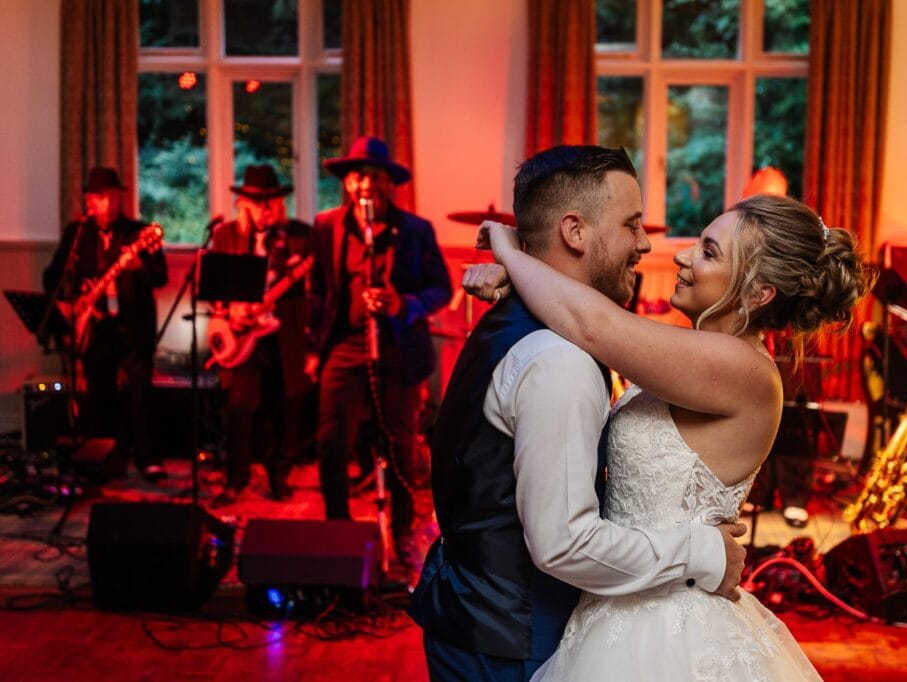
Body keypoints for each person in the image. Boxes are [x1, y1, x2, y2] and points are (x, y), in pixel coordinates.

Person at [469, 192, 873, 680]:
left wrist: (511, 254)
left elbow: (591, 324)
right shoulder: (695, 349)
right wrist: (516, 280)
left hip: (668, 629)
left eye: (707, 252)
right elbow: (585, 316)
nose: (681, 257)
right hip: (616, 600)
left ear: (757, 293)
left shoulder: (741, 368)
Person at [407, 145, 749, 681]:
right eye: (631, 224)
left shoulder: (514, 320)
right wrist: (700, 551)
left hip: (477, 613)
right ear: (575, 231)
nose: (646, 243)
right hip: (513, 635)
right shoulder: (558, 358)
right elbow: (565, 544)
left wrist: (509, 260)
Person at [305, 136, 452, 573]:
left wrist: (403, 305)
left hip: (399, 348)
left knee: (400, 444)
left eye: (373, 175)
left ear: (389, 184)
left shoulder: (415, 230)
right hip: (345, 346)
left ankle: (404, 533)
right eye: (356, 175)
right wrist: (315, 348)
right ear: (347, 183)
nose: (364, 183)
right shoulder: (327, 226)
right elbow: (317, 291)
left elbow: (441, 287)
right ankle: (337, 530)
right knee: (331, 440)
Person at [43, 166, 169, 481]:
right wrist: (75, 295)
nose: (109, 204)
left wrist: (138, 267)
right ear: (89, 200)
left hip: (133, 325)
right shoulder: (78, 234)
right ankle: (109, 454)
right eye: (102, 198)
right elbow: (52, 277)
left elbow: (160, 275)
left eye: (114, 197)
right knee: (101, 394)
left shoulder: (138, 232)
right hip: (97, 329)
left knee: (142, 392)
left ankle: (148, 458)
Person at [208, 164, 312, 506]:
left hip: (284, 338)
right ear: (244, 204)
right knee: (239, 408)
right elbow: (211, 289)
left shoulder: (299, 236)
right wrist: (228, 309)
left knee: (284, 407)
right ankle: (236, 476)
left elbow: (317, 287)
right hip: (242, 340)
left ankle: (278, 475)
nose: (265, 210)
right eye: (258, 202)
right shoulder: (225, 236)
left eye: (271, 202)